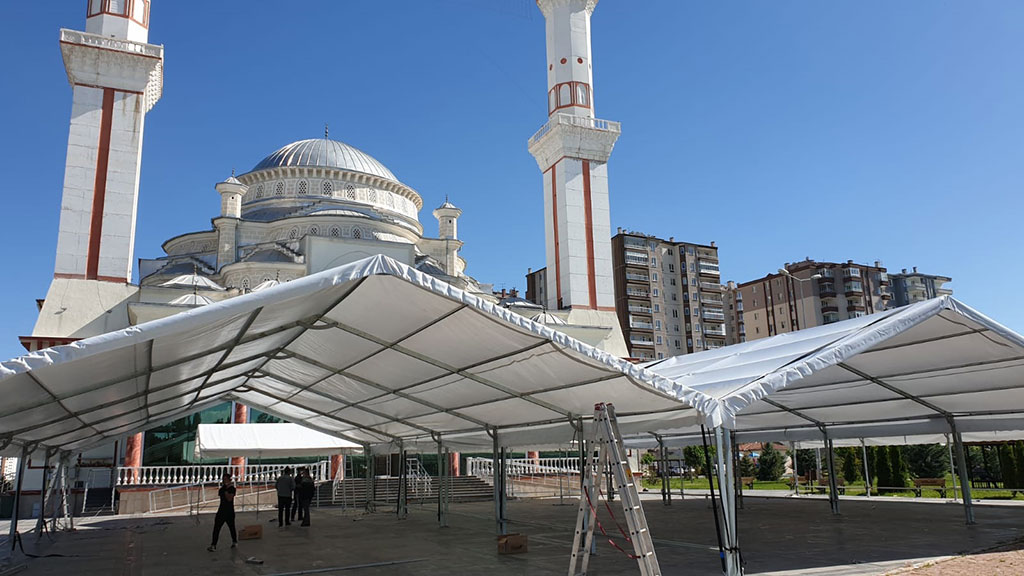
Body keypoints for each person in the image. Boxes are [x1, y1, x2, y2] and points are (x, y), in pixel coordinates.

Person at [208, 473, 237, 551]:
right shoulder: (222, 489)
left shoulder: (232, 489)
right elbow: (221, 495)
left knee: (231, 527)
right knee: (216, 528)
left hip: (229, 512)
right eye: (224, 480)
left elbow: (229, 499)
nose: (225, 481)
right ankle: (213, 545)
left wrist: (226, 492)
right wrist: (225, 490)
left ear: (229, 480)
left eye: (226, 479)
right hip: (221, 511)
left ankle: (234, 541)